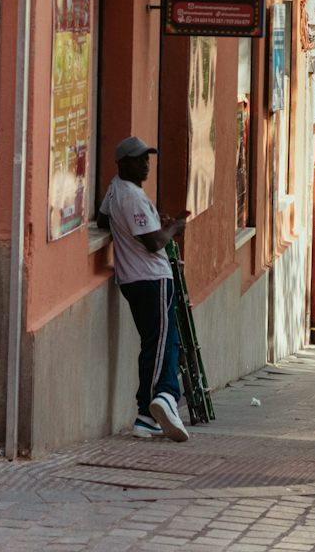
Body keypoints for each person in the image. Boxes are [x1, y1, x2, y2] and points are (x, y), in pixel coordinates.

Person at [95, 136, 191, 442]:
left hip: (131, 279)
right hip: (152, 277)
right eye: (139, 159)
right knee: (166, 343)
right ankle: (165, 396)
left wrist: (152, 224)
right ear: (123, 163)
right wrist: (174, 228)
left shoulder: (116, 189)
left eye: (147, 158)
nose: (145, 164)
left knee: (154, 343)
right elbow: (153, 244)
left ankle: (146, 416)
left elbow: (103, 218)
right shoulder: (133, 196)